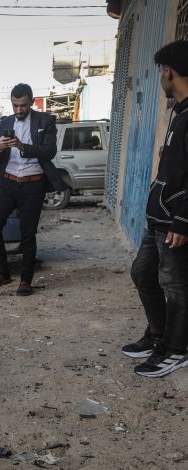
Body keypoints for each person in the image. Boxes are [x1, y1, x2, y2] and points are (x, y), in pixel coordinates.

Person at [124, 40, 188, 378]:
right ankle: (159, 335)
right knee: (142, 273)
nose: (160, 78)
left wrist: (183, 219)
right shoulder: (178, 113)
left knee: (175, 286)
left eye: (161, 72)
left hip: (175, 222)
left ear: (169, 72)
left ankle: (177, 349)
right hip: (157, 218)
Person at [0, 83, 68, 296]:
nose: (19, 110)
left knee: (28, 234)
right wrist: (0, 146)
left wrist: (22, 147)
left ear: (31, 102)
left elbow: (49, 151)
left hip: (33, 184)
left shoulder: (46, 121)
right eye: (15, 105)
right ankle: (2, 272)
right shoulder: (4, 122)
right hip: (8, 183)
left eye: (23, 105)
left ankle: (25, 281)